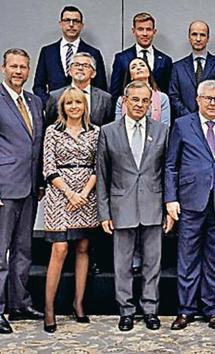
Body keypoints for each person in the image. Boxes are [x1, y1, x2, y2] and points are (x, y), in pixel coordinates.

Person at [166, 80, 215, 331]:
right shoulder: (182, 125)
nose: (212, 103)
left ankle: (212, 309)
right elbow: (171, 165)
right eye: (208, 98)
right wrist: (170, 198)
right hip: (190, 202)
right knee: (187, 258)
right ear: (197, 100)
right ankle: (186, 310)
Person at [96, 81, 172, 331]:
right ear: (124, 101)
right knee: (122, 263)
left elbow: (168, 172)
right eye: (135, 99)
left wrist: (168, 207)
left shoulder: (162, 131)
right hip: (121, 206)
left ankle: (150, 309)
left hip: (153, 205)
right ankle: (126, 310)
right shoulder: (108, 131)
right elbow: (102, 174)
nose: (139, 104)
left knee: (153, 262)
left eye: (144, 100)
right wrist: (104, 212)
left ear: (151, 104)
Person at [42, 87, 100, 333]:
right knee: (60, 248)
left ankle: (78, 303)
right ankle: (49, 309)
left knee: (83, 247)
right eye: (69, 103)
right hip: (60, 194)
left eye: (78, 102)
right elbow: (48, 166)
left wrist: (84, 194)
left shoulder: (96, 132)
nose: (74, 106)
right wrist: (69, 193)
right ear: (62, 107)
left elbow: (99, 166)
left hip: (87, 193)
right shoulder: (52, 132)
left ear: (85, 105)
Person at [0, 48, 45, 334]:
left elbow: (35, 146)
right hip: (4, 187)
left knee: (23, 249)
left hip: (29, 187)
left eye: (23, 67)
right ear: (3, 68)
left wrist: (39, 181)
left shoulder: (34, 100)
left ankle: (19, 302)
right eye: (13, 66)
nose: (18, 72)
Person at [33, 5, 107, 104]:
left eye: (76, 21)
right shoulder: (47, 52)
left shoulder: (93, 53)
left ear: (81, 25)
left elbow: (100, 87)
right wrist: (51, 105)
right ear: (61, 23)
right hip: (54, 114)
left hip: (85, 111)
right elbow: (38, 86)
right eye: (67, 20)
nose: (71, 24)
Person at [110, 12, 173, 103]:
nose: (145, 34)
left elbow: (168, 91)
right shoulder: (121, 58)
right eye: (140, 29)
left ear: (154, 32)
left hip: (158, 111)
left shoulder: (165, 60)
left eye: (148, 29)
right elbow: (115, 92)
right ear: (133, 31)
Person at [169, 20, 215, 119]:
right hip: (185, 121)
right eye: (194, 34)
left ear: (208, 38)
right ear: (189, 37)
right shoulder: (177, 67)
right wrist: (189, 117)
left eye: (202, 35)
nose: (198, 39)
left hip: (212, 120)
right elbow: (173, 96)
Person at [45, 52, 113, 127]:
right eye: (76, 65)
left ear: (93, 73)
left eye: (85, 66)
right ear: (70, 71)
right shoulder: (55, 96)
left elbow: (108, 128)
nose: (80, 68)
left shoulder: (105, 98)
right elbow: (49, 123)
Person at [115, 57, 170, 126]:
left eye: (142, 65)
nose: (138, 68)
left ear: (149, 72)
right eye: (133, 67)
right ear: (130, 76)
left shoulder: (162, 98)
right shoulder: (122, 100)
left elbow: (164, 128)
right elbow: (117, 127)